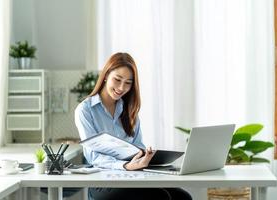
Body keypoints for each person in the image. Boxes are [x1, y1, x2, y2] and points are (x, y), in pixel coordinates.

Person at [75, 52, 192, 200]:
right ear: (105, 76)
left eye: (128, 83)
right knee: (159, 196)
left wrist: (144, 157)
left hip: (132, 175)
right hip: (102, 180)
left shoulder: (129, 110)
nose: (121, 87)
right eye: (117, 80)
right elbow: (93, 156)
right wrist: (126, 166)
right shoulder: (85, 110)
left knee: (182, 197)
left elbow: (137, 146)